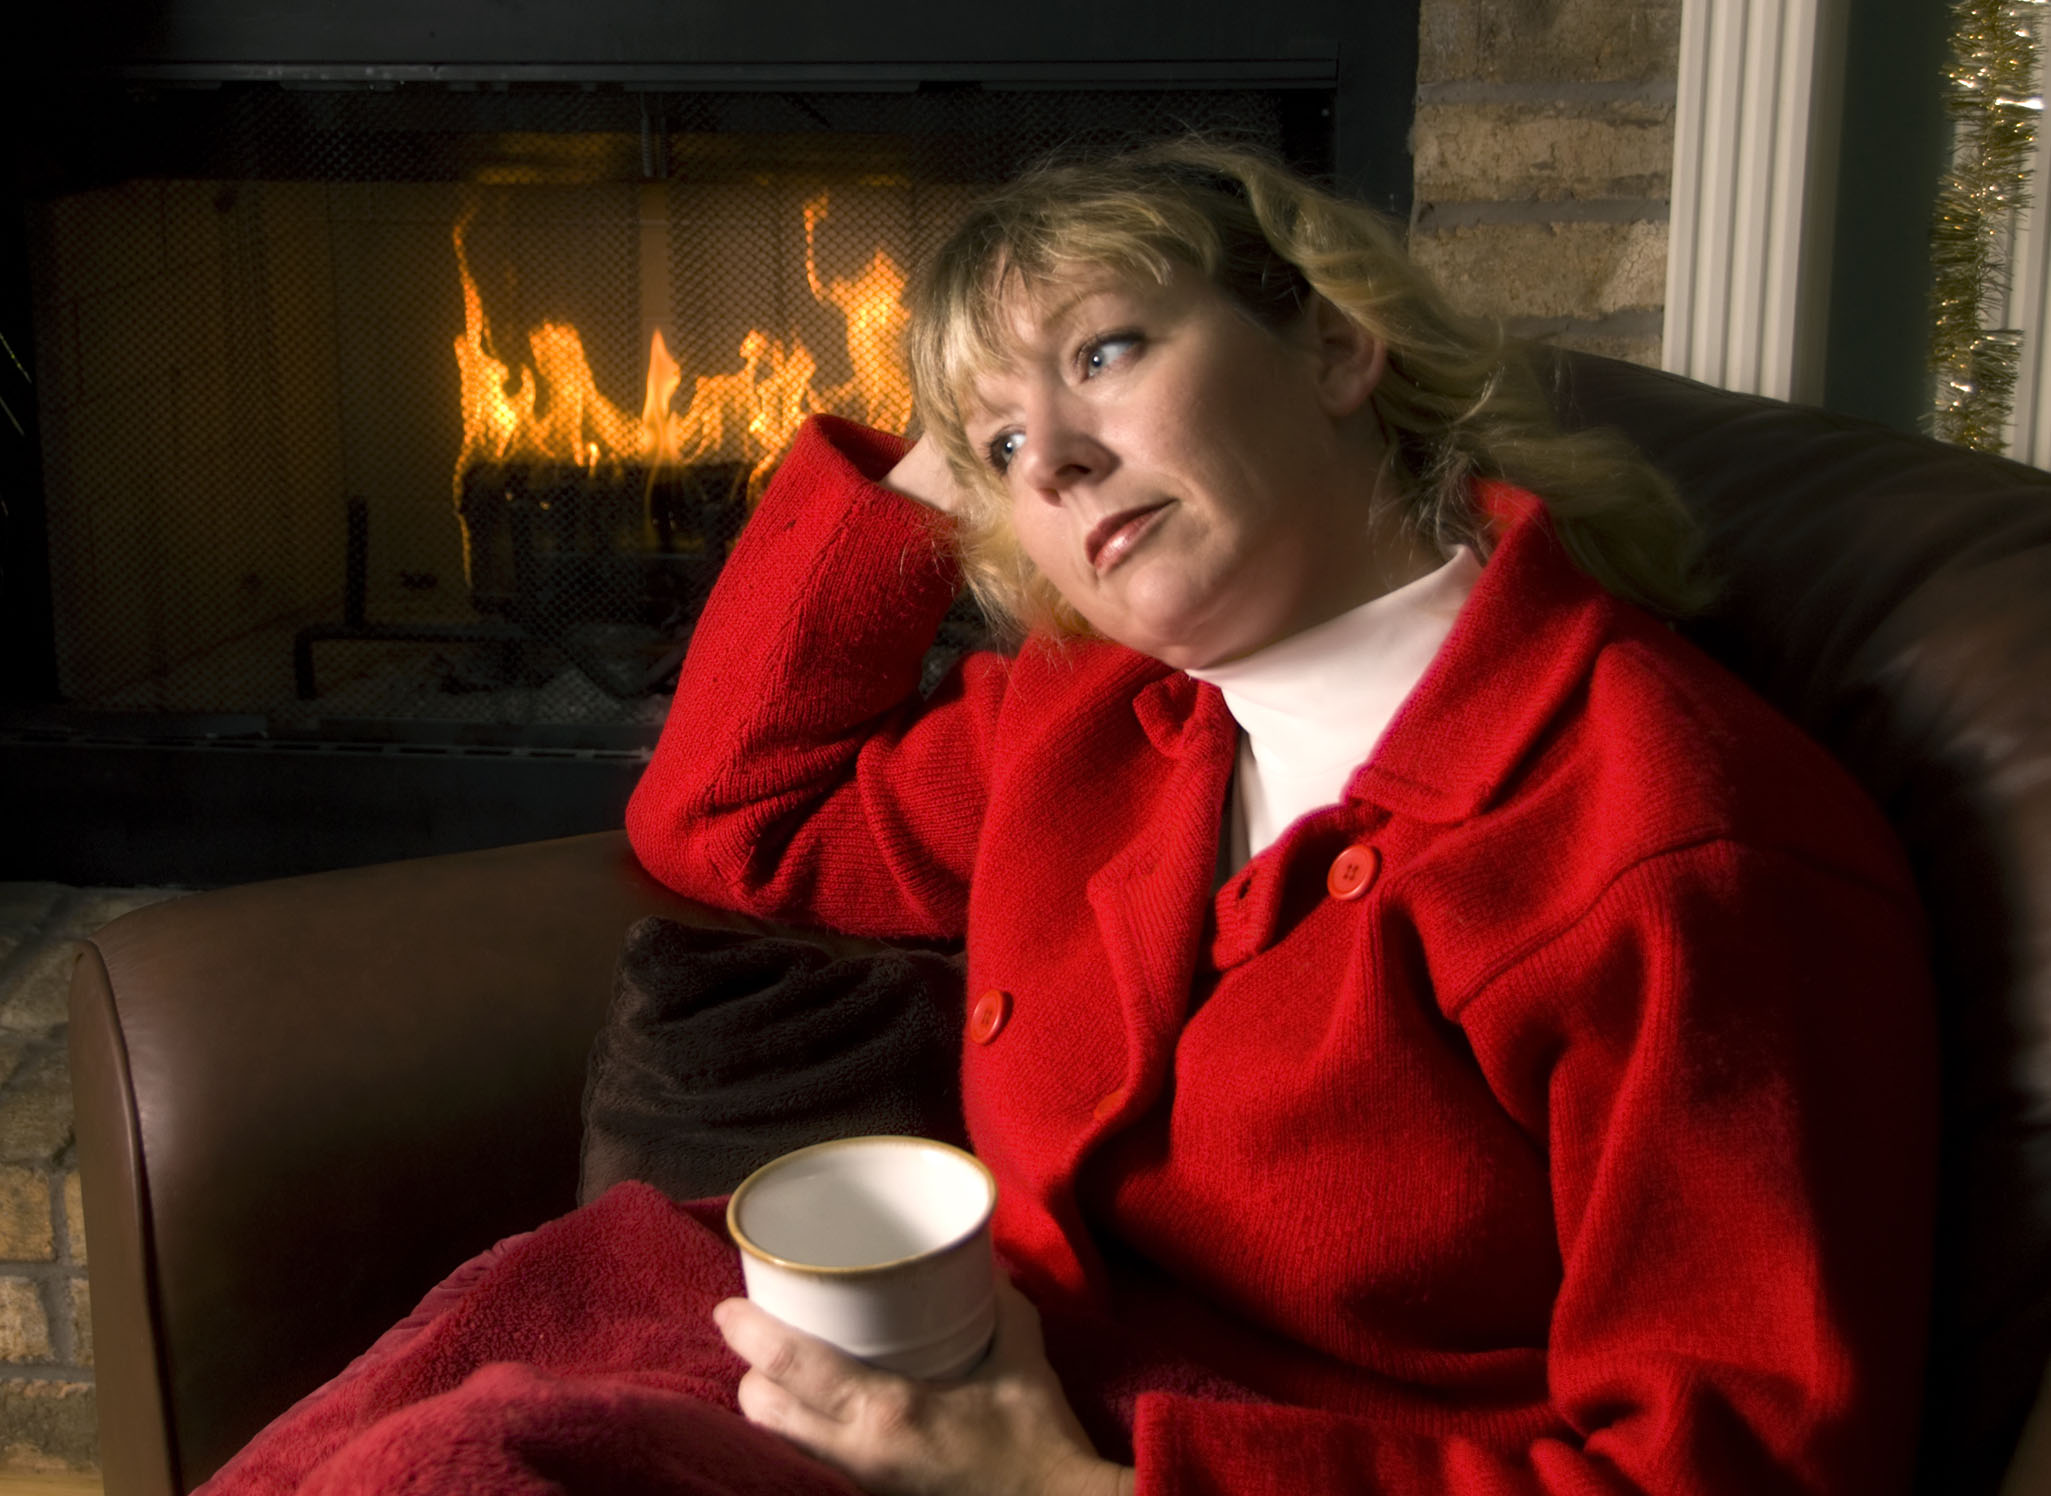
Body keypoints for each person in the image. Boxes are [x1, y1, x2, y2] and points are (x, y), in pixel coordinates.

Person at [624, 138, 1939, 1496]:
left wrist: (1055, 1486)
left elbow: (1738, 1471)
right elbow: (734, 813)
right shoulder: (1088, 715)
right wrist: (938, 467)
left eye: (1105, 353)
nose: (1057, 463)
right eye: (1005, 446)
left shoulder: (1674, 844)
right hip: (952, 1385)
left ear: (1336, 349)